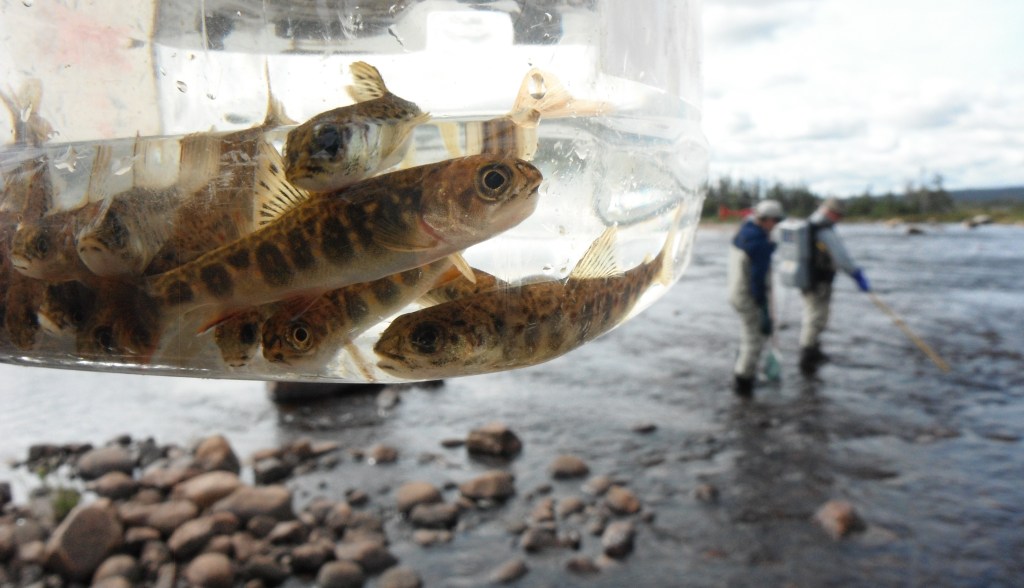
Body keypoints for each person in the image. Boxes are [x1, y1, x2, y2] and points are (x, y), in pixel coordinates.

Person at [799, 197, 870, 372]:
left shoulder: (809, 224)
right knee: (816, 318)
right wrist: (856, 274)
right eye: (839, 215)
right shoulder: (824, 230)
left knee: (814, 316)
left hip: (807, 280)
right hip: (819, 281)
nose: (840, 219)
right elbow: (842, 258)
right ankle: (808, 357)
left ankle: (812, 351)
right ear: (831, 213)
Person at [727, 199, 785, 397]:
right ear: (765, 220)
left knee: (747, 336)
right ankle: (743, 383)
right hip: (748, 297)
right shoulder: (759, 242)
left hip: (735, 293)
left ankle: (741, 373)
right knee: (755, 340)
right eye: (774, 221)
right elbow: (757, 279)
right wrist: (763, 309)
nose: (776, 225)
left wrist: (769, 247)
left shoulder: (744, 233)